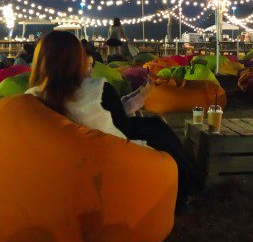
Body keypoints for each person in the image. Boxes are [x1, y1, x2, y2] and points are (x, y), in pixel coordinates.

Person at [26, 31, 196, 209]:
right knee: (158, 128)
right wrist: (139, 100)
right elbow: (123, 127)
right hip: (111, 148)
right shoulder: (96, 88)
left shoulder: (34, 96)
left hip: (68, 157)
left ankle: (187, 181)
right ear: (76, 59)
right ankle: (185, 188)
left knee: (154, 125)